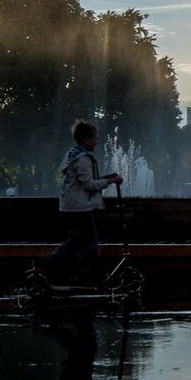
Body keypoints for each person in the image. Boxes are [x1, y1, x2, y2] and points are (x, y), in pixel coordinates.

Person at [38, 120, 123, 284]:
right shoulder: (83, 159)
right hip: (79, 209)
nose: (97, 141)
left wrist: (105, 177)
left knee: (76, 244)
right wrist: (111, 182)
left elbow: (84, 180)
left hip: (70, 207)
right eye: (94, 138)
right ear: (86, 139)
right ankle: (80, 278)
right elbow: (89, 185)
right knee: (90, 246)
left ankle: (53, 268)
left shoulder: (73, 154)